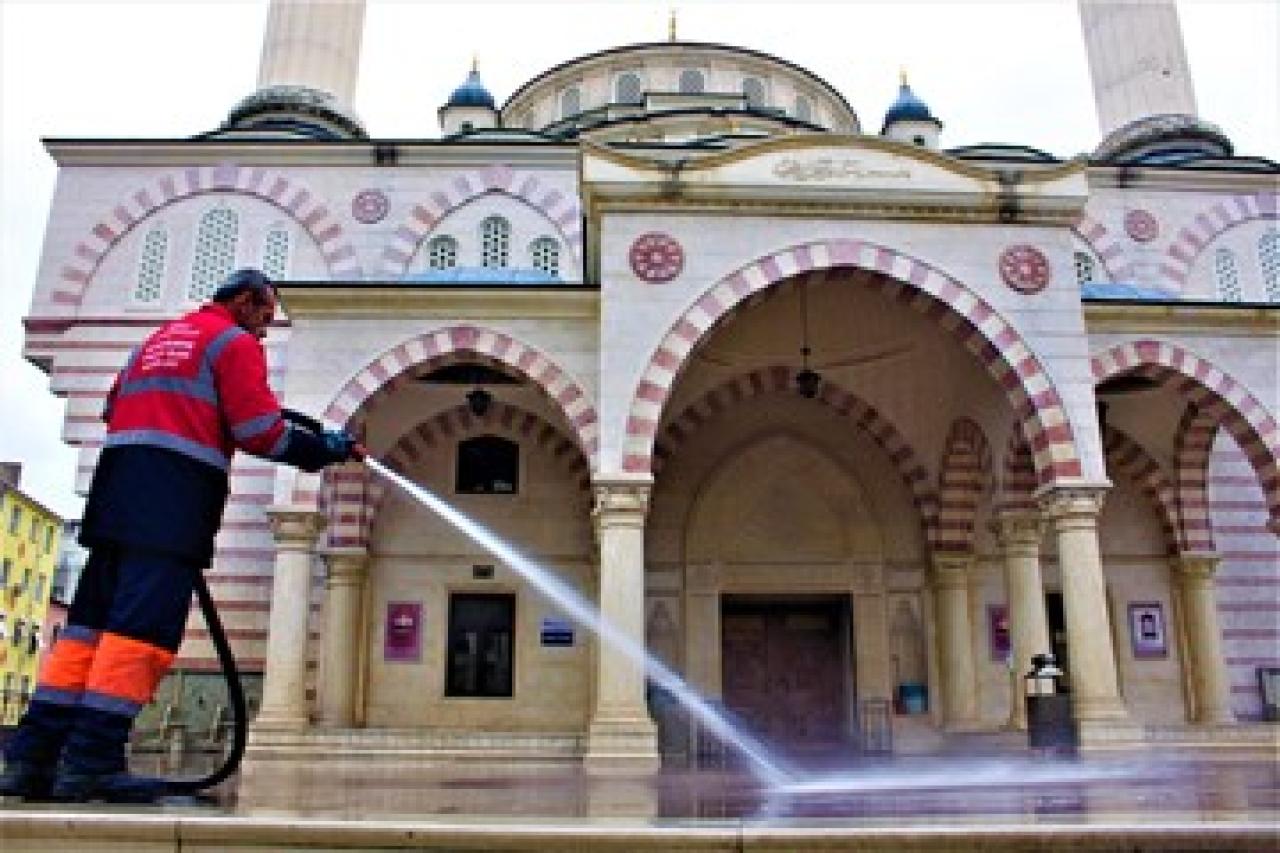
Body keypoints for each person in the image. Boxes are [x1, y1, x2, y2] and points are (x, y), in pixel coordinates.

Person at [0, 269, 357, 802]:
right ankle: (93, 762)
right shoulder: (232, 343)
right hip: (171, 505)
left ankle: (31, 759)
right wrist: (322, 448)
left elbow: (111, 409)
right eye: (264, 315)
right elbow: (260, 430)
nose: (264, 330)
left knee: (85, 631)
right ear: (244, 301)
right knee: (138, 635)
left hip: (115, 497)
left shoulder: (157, 341)